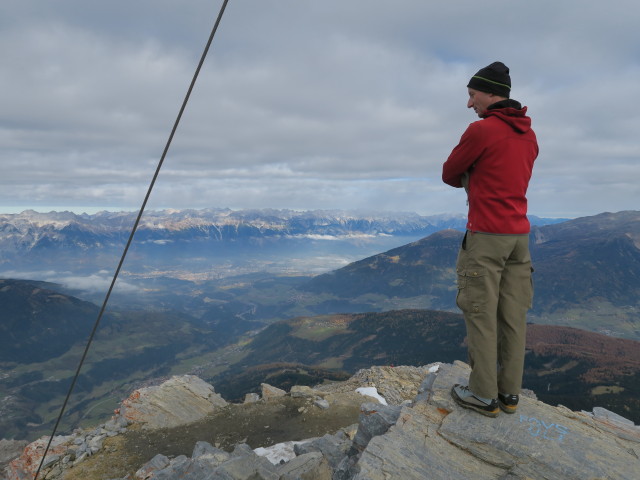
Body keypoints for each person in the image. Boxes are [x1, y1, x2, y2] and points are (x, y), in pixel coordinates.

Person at [442, 61, 538, 417]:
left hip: (486, 237)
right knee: (513, 316)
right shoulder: (528, 134)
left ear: (489, 93)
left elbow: (449, 173)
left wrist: (473, 174)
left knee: (480, 313)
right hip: (520, 238)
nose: (470, 104)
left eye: (472, 95)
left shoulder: (481, 131)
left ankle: (483, 395)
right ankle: (509, 393)